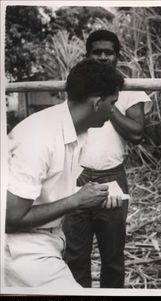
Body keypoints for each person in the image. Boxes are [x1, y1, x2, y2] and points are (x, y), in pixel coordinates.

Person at [5, 58, 125, 288]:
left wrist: (94, 196)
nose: (113, 110)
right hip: (21, 250)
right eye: (113, 103)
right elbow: (10, 219)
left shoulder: (77, 132)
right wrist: (76, 201)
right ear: (97, 103)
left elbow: (48, 191)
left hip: (46, 242)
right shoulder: (39, 137)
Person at [63, 30, 152, 288]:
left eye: (108, 52)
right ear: (87, 55)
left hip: (112, 179)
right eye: (97, 52)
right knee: (75, 256)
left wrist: (108, 103)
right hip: (76, 177)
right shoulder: (76, 89)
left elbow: (137, 133)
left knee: (112, 258)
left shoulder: (130, 91)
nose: (103, 57)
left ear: (117, 56)